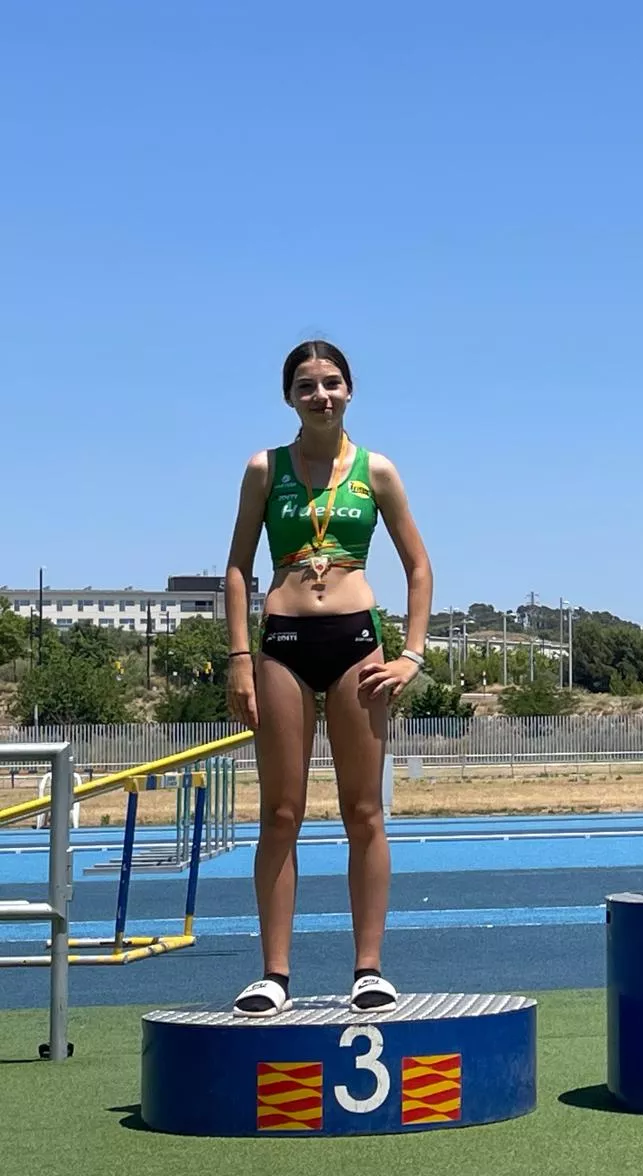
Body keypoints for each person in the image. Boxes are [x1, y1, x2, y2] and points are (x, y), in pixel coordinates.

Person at [223, 339, 434, 1015]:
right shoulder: (266, 468)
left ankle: (368, 969)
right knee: (280, 813)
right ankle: (274, 975)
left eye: (332, 383)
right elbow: (237, 567)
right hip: (283, 643)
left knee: (363, 811)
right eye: (307, 386)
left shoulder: (378, 471)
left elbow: (419, 567)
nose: (321, 396)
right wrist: (239, 659)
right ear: (289, 396)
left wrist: (412, 656)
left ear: (350, 390)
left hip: (356, 643)